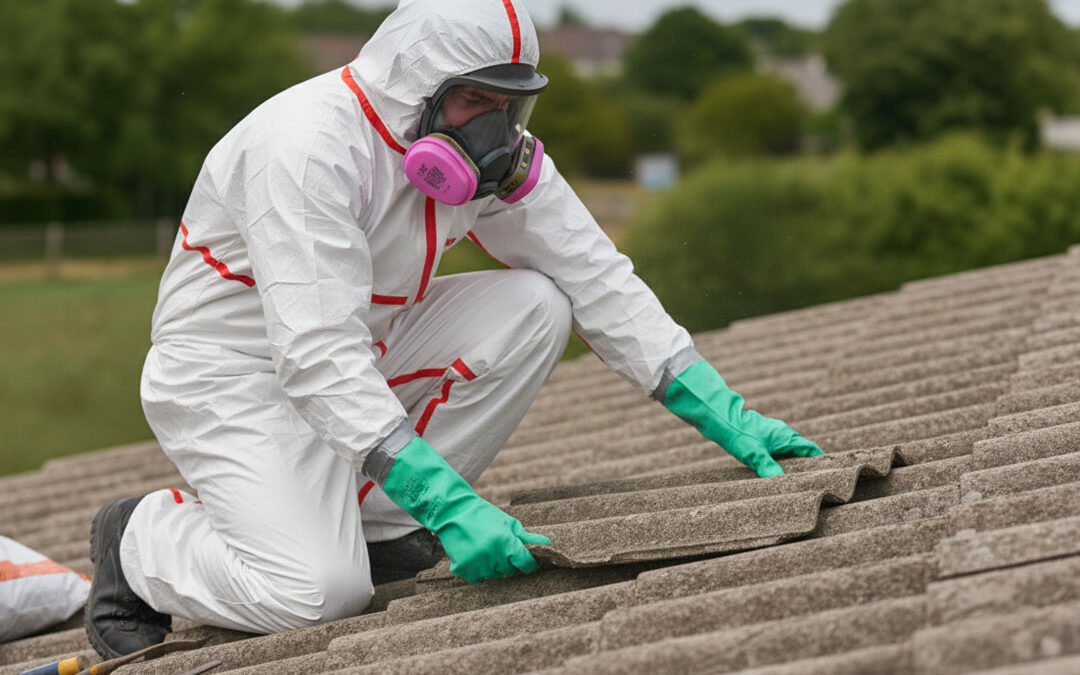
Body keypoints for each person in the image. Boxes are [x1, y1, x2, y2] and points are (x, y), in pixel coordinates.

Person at [84, 0, 823, 658]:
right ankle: (140, 539)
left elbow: (594, 273)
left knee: (539, 303)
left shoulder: (488, 158)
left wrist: (715, 403)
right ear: (414, 91)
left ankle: (377, 528)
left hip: (364, 348)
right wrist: (448, 500)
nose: (496, 128)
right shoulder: (305, 149)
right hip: (235, 378)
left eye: (511, 104)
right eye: (475, 100)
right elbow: (313, 357)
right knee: (316, 595)